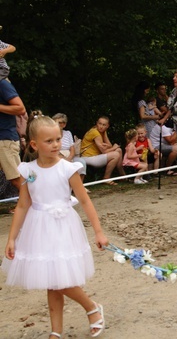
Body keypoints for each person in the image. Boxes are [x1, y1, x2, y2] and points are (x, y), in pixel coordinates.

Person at [2, 116, 108, 338]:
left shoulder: (68, 168)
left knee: (59, 279)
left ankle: (92, 308)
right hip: (38, 229)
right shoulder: (28, 170)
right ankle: (56, 331)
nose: (56, 144)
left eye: (58, 139)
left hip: (62, 227)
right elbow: (23, 205)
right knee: (52, 282)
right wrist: (12, 238)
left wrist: (98, 231)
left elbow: (86, 201)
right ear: (34, 144)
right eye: (49, 141)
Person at [80, 116, 124, 185]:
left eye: (104, 125)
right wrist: (113, 147)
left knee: (119, 150)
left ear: (107, 126)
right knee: (116, 154)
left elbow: (109, 145)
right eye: (100, 124)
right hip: (88, 157)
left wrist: (112, 146)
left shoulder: (103, 132)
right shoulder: (95, 132)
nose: (101, 126)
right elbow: (105, 151)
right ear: (96, 123)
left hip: (96, 156)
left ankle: (122, 175)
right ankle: (106, 178)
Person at [0, 78, 26, 191]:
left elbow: (20, 108)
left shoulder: (2, 83)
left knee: (16, 178)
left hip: (5, 139)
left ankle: (36, 205)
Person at [52, 113, 89, 190]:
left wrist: (69, 158)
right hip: (57, 156)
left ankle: (79, 187)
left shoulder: (68, 133)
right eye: (58, 122)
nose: (61, 124)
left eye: (62, 122)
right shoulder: (51, 134)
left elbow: (72, 149)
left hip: (69, 156)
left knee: (81, 162)